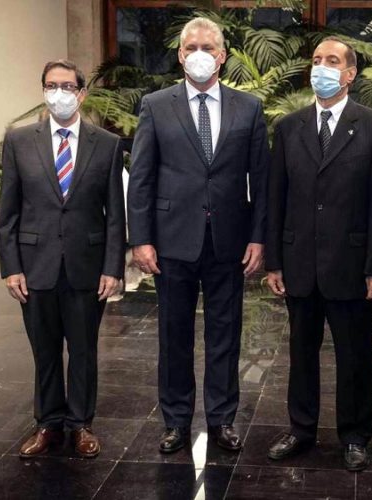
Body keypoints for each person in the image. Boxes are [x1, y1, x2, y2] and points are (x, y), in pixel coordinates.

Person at [127, 17, 269, 454]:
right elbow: (141, 177)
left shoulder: (249, 108)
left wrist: (258, 237)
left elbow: (261, 180)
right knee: (174, 336)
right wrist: (141, 239)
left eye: (208, 47)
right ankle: (175, 421)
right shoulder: (156, 105)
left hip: (229, 239)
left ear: (222, 56)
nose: (200, 54)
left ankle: (222, 419)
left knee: (226, 334)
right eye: (192, 48)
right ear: (180, 55)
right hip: (172, 240)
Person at [265, 37, 372, 472]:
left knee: (355, 356)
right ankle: (301, 428)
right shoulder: (289, 127)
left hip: (352, 265)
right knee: (301, 352)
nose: (322, 67)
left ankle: (355, 435)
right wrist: (274, 261)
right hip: (299, 263)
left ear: (350, 73)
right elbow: (276, 198)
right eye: (317, 60)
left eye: (333, 60)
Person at [0, 59, 125, 458]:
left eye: (67, 86)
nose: (59, 93)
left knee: (84, 351)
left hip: (87, 266)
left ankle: (81, 425)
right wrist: (11, 267)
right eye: (51, 85)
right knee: (45, 351)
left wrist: (113, 268)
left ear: (81, 94)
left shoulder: (107, 144)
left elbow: (115, 215)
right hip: (35, 266)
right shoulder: (19, 141)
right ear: (43, 91)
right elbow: (8, 212)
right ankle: (48, 424)